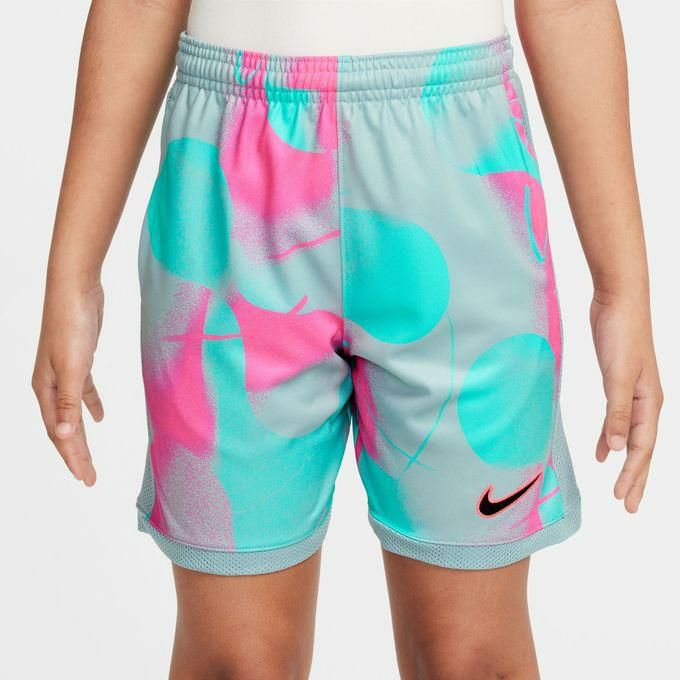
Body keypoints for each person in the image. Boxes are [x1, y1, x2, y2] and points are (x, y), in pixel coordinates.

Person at [32, 0, 663, 678]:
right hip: (231, 189)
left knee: (471, 662)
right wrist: (73, 273)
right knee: (234, 664)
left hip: (459, 172)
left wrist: (621, 289)